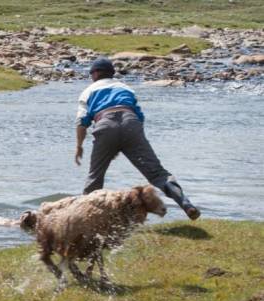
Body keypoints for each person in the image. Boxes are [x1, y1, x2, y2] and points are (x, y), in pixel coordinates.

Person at [74, 57, 200, 220]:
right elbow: (139, 116)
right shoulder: (125, 88)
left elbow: (81, 122)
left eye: (91, 73)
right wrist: (131, 137)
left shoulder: (88, 91)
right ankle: (186, 204)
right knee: (158, 174)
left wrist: (79, 146)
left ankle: (85, 219)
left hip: (105, 125)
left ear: (95, 73)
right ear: (112, 73)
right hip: (131, 124)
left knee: (95, 178)